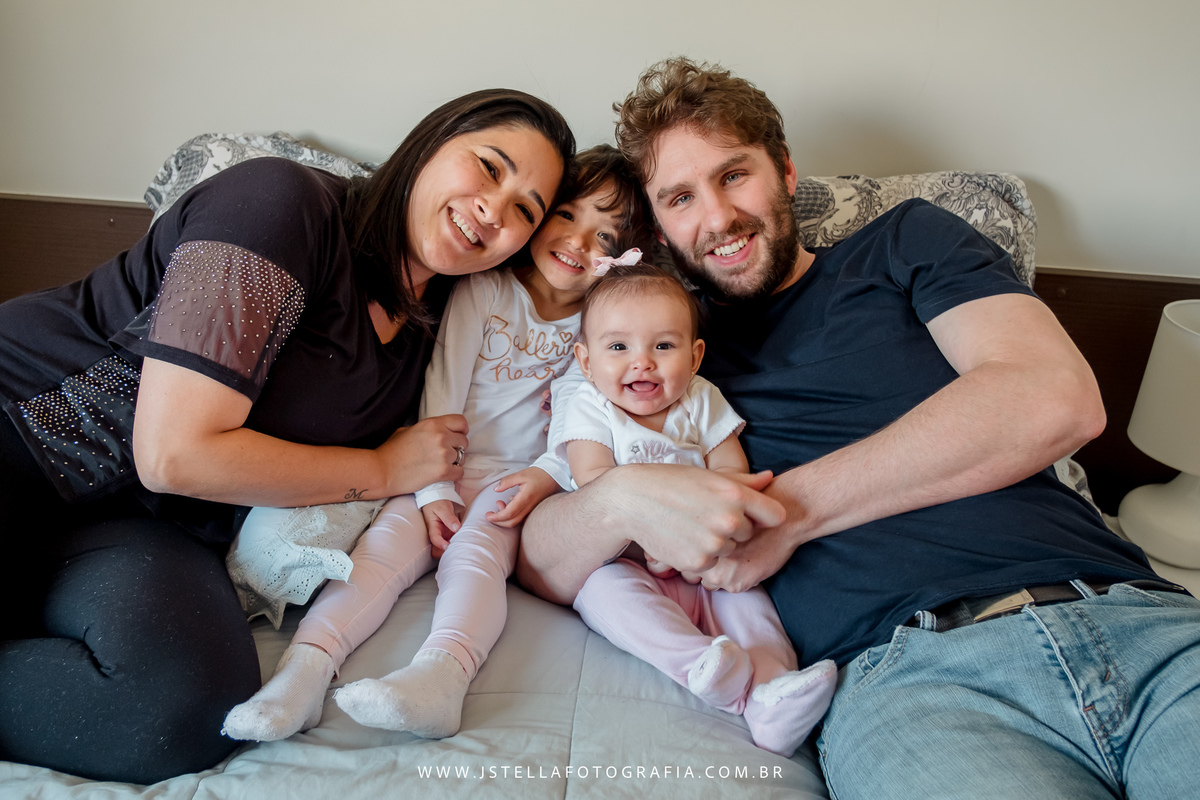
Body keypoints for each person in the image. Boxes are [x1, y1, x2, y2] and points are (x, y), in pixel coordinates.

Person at [517, 57, 1200, 798]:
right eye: (681, 197)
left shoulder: (908, 244)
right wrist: (618, 500)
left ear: (784, 170)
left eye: (734, 175)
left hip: (1136, 623)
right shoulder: (660, 351)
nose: (716, 217)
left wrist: (786, 517)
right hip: (911, 684)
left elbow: (1057, 399)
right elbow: (542, 562)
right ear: (657, 226)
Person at [0, 88, 574, 784]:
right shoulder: (278, 205)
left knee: (177, 711)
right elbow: (175, 454)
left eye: (525, 210)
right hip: (26, 434)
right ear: (431, 142)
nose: (495, 210)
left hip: (140, 529)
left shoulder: (449, 319)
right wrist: (383, 470)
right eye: (489, 167)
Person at [220, 145, 652, 743]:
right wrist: (433, 491)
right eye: (568, 215)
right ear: (541, 214)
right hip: (442, 466)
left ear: (624, 258)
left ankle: (440, 680)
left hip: (520, 485)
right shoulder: (486, 290)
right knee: (376, 558)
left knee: (475, 562)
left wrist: (547, 477)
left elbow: (585, 423)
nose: (579, 243)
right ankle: (301, 676)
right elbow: (442, 390)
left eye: (606, 237)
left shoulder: (601, 326)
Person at [559, 257, 837, 757]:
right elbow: (594, 483)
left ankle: (774, 697)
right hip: (633, 561)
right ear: (585, 361)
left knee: (751, 604)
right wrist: (660, 530)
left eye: (663, 346)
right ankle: (703, 667)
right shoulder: (588, 405)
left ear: (695, 355)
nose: (642, 361)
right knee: (601, 593)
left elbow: (731, 472)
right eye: (618, 347)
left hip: (709, 562)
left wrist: (721, 527)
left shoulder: (701, 400)